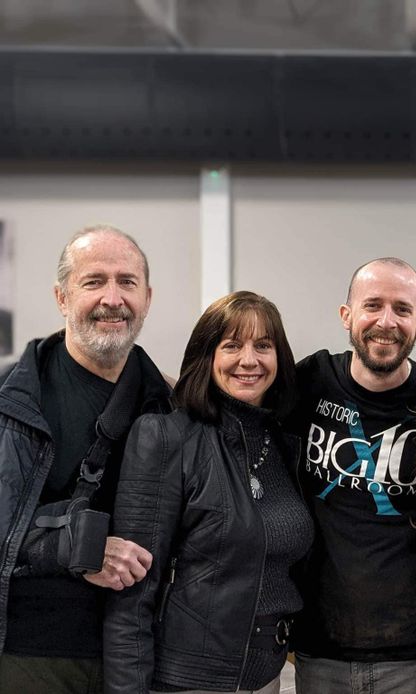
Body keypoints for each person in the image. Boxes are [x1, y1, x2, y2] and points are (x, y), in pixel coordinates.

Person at [104, 291, 313, 694]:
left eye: (263, 346)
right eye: (232, 345)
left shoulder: (284, 445)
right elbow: (132, 593)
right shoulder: (166, 438)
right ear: (207, 354)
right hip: (188, 680)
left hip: (268, 678)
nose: (249, 360)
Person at [0, 225, 172, 693]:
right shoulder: (10, 398)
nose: (112, 298)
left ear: (148, 297)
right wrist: (78, 546)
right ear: (61, 296)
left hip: (136, 658)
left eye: (127, 282)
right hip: (25, 655)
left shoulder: (171, 405)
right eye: (94, 281)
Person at [287, 258, 416, 694]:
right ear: (347, 316)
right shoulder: (311, 380)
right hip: (320, 650)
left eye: (402, 309)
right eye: (373, 305)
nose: (386, 321)